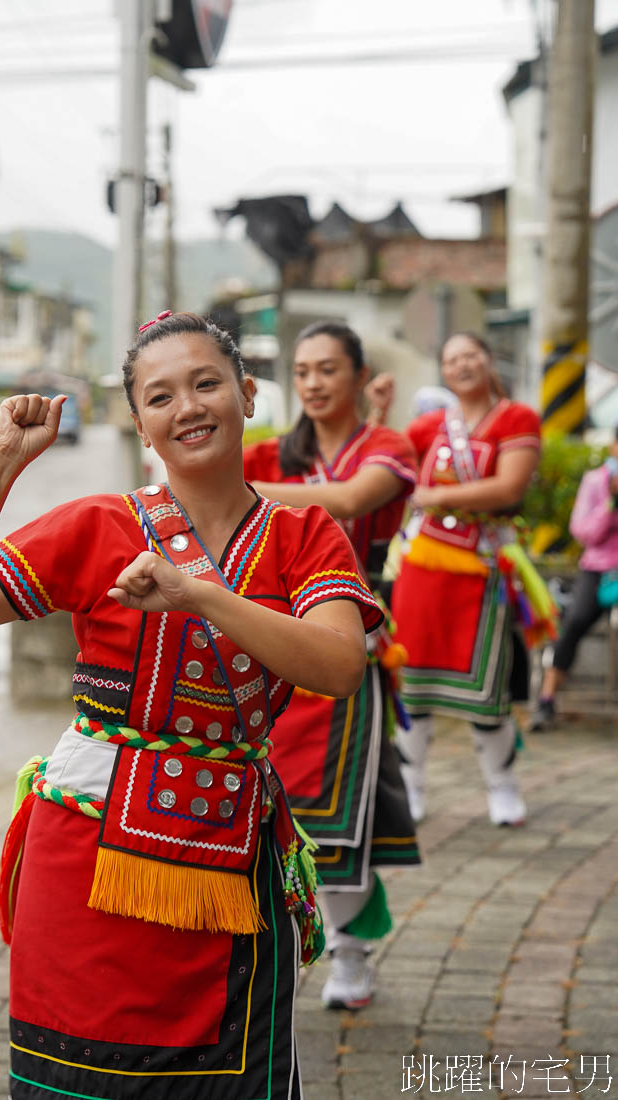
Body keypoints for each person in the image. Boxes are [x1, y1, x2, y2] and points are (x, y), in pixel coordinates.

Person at [0, 311, 382, 1100]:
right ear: (140, 425)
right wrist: (2, 459)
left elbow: (339, 666)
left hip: (232, 863)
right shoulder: (99, 525)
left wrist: (197, 596)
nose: (188, 408)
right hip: (86, 861)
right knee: (78, 1076)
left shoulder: (305, 537)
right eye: (160, 397)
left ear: (248, 394)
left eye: (207, 384)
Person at [243, 320, 421, 1012]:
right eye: (303, 371)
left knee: (338, 811)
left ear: (357, 375)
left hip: (349, 634)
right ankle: (274, 952)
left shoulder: (386, 446)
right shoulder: (269, 453)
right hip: (265, 639)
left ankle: (351, 952)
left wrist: (241, 490)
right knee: (262, 801)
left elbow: (347, 503)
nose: (313, 383)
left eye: (328, 370)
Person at [388, 332, 542, 827]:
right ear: (444, 370)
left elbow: (509, 486)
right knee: (410, 681)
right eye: (451, 359)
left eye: (470, 354)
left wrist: (434, 498)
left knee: (487, 686)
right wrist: (378, 409)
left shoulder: (517, 419)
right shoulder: (430, 425)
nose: (462, 364)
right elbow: (383, 458)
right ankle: (411, 788)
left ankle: (502, 786)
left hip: (482, 566)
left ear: (489, 359)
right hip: (422, 568)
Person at [531, 428, 618, 730]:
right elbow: (582, 531)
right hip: (597, 568)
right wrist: (610, 504)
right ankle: (547, 699)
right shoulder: (596, 482)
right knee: (574, 622)